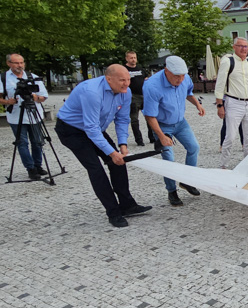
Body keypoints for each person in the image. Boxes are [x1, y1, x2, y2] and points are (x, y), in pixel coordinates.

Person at [55, 65, 152, 228]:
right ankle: (113, 212)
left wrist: (122, 144)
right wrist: (111, 152)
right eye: (122, 80)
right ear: (108, 79)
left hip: (96, 129)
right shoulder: (91, 92)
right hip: (71, 130)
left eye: (128, 80)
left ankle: (127, 205)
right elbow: (90, 128)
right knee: (96, 169)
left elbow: (122, 119)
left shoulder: (125, 92)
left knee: (119, 162)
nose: (126, 84)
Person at [143, 56, 205, 207]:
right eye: (176, 76)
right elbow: (149, 115)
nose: (180, 79)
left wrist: (197, 104)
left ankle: (187, 181)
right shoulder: (152, 86)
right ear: (166, 71)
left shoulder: (185, 79)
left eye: (183, 75)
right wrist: (161, 136)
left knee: (194, 147)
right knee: (169, 159)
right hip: (162, 124)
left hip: (180, 122)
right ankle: (172, 191)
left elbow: (188, 92)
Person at [215, 37, 248, 169]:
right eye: (241, 46)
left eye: (246, 46)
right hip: (233, 102)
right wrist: (220, 105)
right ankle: (223, 165)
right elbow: (220, 85)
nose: (244, 49)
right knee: (230, 137)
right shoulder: (228, 62)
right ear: (234, 47)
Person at [1, 53, 49, 180]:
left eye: (22, 62)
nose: (20, 65)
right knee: (22, 143)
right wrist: (7, 102)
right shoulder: (3, 78)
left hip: (34, 114)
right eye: (16, 63)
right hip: (16, 116)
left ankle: (38, 165)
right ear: (9, 63)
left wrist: (35, 97)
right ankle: (31, 168)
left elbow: (44, 96)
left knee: (38, 142)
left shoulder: (32, 77)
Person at [123, 50, 152, 146]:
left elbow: (146, 79)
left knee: (149, 116)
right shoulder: (124, 70)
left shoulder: (141, 69)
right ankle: (139, 140)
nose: (133, 60)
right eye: (131, 58)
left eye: (135, 57)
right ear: (127, 58)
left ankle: (152, 137)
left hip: (144, 95)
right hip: (132, 96)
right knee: (134, 119)